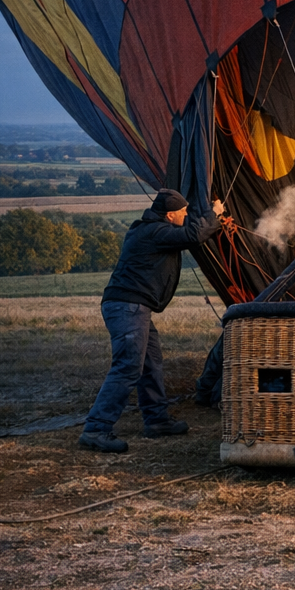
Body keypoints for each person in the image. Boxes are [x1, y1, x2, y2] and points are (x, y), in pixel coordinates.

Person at [79, 189, 224, 452]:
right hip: (129, 307)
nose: (186, 215)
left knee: (151, 362)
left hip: (134, 307)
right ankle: (96, 428)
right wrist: (213, 213)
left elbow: (189, 231)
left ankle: (156, 420)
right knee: (128, 366)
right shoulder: (154, 232)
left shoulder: (152, 229)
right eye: (182, 212)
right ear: (170, 215)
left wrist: (211, 222)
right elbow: (192, 235)